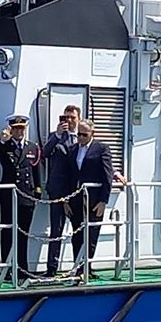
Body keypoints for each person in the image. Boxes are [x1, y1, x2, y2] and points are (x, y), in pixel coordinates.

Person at [58, 119, 123, 277]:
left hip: (94, 200)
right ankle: (77, 267)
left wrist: (103, 201)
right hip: (75, 198)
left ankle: (87, 267)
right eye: (79, 134)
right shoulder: (72, 149)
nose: (81, 137)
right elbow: (67, 176)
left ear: (92, 134)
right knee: (77, 234)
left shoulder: (101, 148)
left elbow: (107, 176)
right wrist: (65, 200)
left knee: (92, 234)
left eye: (84, 135)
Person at [0, 114, 41, 277]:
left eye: (21, 128)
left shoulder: (32, 147)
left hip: (26, 196)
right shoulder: (5, 146)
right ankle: (7, 268)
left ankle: (22, 268)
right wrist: (1, 142)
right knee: (8, 233)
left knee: (23, 233)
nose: (19, 132)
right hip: (9, 196)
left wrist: (37, 192)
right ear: (11, 130)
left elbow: (36, 171)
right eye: (16, 129)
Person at [41, 105, 81, 276]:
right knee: (56, 230)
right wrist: (57, 135)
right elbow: (45, 153)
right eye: (66, 117)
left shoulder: (82, 138)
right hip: (58, 191)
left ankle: (80, 266)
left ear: (78, 119)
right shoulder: (55, 137)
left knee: (79, 230)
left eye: (72, 117)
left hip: (76, 191)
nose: (69, 121)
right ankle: (52, 268)